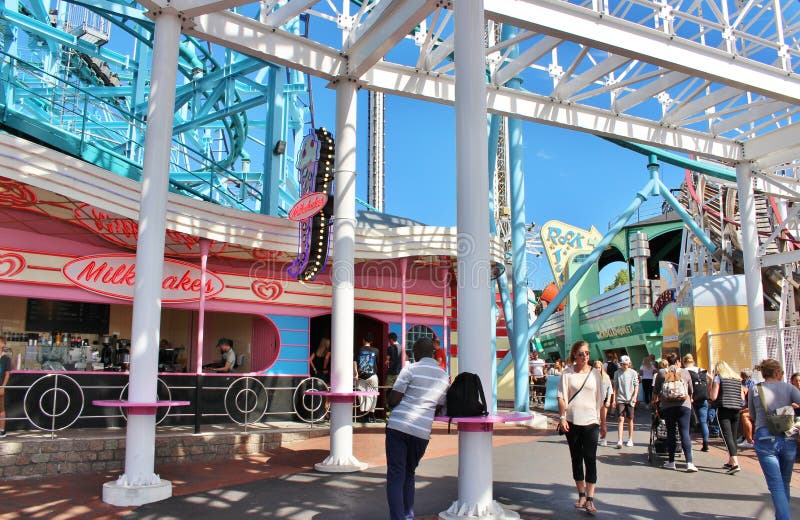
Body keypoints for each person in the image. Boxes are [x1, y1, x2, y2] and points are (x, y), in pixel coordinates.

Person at [385, 337, 449, 520]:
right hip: (421, 432)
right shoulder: (443, 376)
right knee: (409, 473)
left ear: (416, 354)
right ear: (432, 353)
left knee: (396, 475)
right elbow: (438, 407)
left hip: (398, 427)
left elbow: (393, 400)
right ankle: (408, 516)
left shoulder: (410, 369)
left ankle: (399, 518)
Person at [558, 341, 607, 515]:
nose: (585, 356)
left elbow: (600, 400)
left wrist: (603, 422)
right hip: (571, 421)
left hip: (591, 421)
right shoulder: (567, 374)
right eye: (581, 354)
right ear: (574, 355)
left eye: (587, 353)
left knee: (590, 458)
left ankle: (591, 499)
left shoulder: (596, 374)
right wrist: (562, 417)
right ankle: (581, 495)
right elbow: (562, 397)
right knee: (576, 458)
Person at [748, 359, 800, 520]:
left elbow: (752, 414)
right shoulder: (789, 387)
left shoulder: (755, 389)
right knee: (784, 482)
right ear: (777, 372)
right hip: (788, 436)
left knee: (775, 485)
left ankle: (784, 517)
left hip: (765, 437)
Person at [653, 353, 697, 472]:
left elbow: (656, 391)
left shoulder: (662, 373)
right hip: (684, 406)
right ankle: (689, 463)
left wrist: (656, 403)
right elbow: (691, 390)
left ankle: (671, 462)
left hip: (668, 406)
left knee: (671, 433)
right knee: (684, 433)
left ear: (668, 361)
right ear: (678, 362)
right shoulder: (685, 372)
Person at [708, 360, 745, 474]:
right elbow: (742, 397)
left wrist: (711, 383)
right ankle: (730, 460)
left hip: (724, 408)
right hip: (736, 409)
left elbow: (713, 396)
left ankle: (735, 462)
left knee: (727, 435)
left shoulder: (719, 378)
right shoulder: (737, 379)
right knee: (733, 435)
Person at [683, 354, 710, 452]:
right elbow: (710, 378)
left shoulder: (685, 371)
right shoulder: (701, 369)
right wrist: (708, 390)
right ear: (693, 361)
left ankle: (687, 443)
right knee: (703, 421)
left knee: (689, 422)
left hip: (691, 399)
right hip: (703, 398)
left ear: (684, 362)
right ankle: (706, 444)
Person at [613, 355, 639, 448]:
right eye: (623, 364)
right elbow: (615, 386)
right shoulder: (617, 373)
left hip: (630, 398)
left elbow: (636, 385)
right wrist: (614, 399)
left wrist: (635, 396)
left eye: (626, 364)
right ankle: (619, 440)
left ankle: (630, 439)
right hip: (621, 398)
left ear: (629, 363)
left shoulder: (633, 373)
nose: (625, 366)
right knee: (620, 419)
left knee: (630, 419)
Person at [354, 332, 379, 422]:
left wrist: (356, 374)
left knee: (361, 395)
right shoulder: (376, 350)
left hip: (361, 376)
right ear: (371, 341)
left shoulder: (360, 350)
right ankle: (371, 414)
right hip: (372, 376)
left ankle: (364, 414)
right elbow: (377, 362)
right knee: (373, 394)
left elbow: (355, 362)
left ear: (363, 340)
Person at [593, 360, 613, 447]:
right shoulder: (591, 377)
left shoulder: (606, 377)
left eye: (599, 367)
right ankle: (594, 438)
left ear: (601, 368)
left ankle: (604, 438)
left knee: (603, 421)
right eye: (596, 367)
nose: (597, 369)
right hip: (594, 401)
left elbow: (610, 390)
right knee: (595, 421)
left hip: (603, 401)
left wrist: (608, 400)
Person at [738, 369, 755, 449]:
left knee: (744, 415)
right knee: (739, 413)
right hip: (747, 405)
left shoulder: (752, 383)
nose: (741, 376)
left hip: (753, 407)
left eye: (743, 375)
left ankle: (749, 440)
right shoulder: (742, 382)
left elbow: (752, 397)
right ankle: (744, 437)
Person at [0, 337, 10, 438]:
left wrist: (3, 386)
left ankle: (2, 430)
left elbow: (7, 374)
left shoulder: (6, 358)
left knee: (1, 408)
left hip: (0, 385)